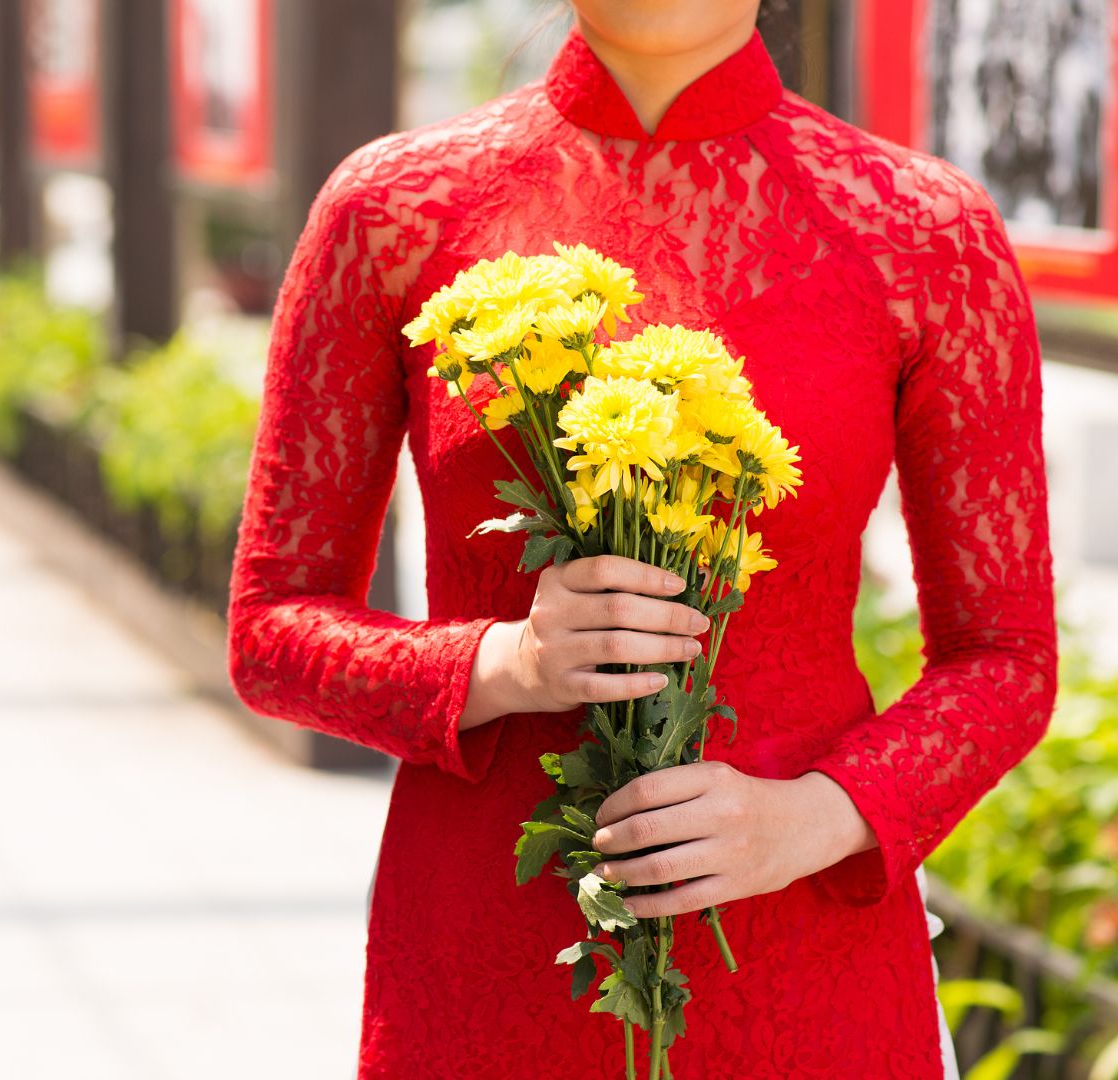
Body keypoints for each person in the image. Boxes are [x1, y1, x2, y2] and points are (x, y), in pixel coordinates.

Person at [223, 2, 1056, 1076]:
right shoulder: (392, 210)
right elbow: (270, 629)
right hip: (488, 955)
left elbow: (1008, 660)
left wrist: (812, 819)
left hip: (805, 954)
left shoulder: (924, 231)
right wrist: (501, 663)